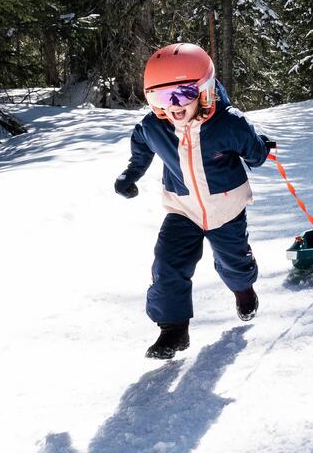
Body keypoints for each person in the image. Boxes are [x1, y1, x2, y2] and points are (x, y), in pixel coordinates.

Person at [114, 42, 274, 358]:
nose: (173, 106)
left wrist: (260, 147)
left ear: (204, 89)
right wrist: (130, 175)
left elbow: (254, 156)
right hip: (182, 208)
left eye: (182, 94)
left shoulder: (229, 123)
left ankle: (243, 290)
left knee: (233, 262)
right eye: (160, 97)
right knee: (167, 262)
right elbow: (141, 147)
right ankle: (173, 330)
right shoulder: (154, 126)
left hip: (226, 208)